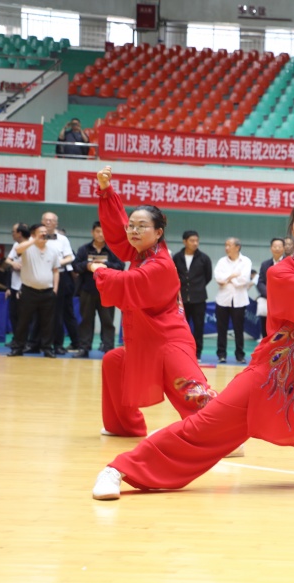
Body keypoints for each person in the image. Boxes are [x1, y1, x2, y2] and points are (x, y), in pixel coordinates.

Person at [92, 155, 294, 500]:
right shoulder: (281, 272)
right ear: (292, 228)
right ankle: (119, 469)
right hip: (271, 378)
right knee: (202, 429)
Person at [87, 165, 219, 438]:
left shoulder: (160, 263)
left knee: (193, 394)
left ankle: (222, 435)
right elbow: (116, 229)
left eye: (142, 226)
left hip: (169, 342)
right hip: (147, 342)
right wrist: (106, 191)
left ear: (158, 232)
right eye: (132, 226)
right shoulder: (141, 252)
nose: (133, 231)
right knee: (114, 362)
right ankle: (124, 425)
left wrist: (99, 270)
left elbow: (129, 282)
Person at [71, 221, 124, 357]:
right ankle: (84, 348)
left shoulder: (112, 250)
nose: (100, 234)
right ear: (92, 232)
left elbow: (120, 266)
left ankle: (108, 349)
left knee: (107, 321)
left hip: (107, 291)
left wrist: (105, 265)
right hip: (87, 290)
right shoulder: (84, 249)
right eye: (98, 231)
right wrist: (88, 265)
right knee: (86, 321)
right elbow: (75, 266)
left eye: (103, 232)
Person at [6, 224, 60, 358]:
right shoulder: (27, 248)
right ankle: (18, 347)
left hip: (47, 292)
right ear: (33, 234)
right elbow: (18, 249)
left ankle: (47, 348)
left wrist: (55, 289)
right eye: (41, 232)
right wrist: (34, 240)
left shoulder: (53, 250)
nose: (44, 234)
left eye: (46, 232)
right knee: (23, 321)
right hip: (28, 291)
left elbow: (56, 271)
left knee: (48, 323)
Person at [41, 211, 78, 355]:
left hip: (61, 277)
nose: (48, 222)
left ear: (56, 223)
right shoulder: (36, 238)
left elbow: (70, 257)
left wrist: (55, 263)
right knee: (40, 313)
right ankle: (37, 344)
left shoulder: (62, 239)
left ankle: (58, 345)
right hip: (41, 277)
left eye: (51, 220)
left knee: (59, 313)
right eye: (45, 220)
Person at [172, 231, 213, 361]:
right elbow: (173, 275)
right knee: (181, 327)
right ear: (184, 241)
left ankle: (197, 353)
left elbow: (208, 276)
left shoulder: (204, 258)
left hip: (199, 298)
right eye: (192, 241)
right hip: (181, 299)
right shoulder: (177, 257)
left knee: (199, 327)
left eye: (197, 241)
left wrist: (197, 287)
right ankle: (182, 352)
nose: (195, 243)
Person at [214, 238, 253, 364]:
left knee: (238, 329)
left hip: (239, 300)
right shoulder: (221, 261)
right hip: (222, 299)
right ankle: (221, 354)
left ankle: (240, 355)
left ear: (237, 247)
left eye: (229, 245)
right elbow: (218, 279)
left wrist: (227, 279)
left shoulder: (246, 261)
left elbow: (244, 280)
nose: (226, 248)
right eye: (225, 245)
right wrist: (233, 276)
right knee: (221, 329)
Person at [256, 237, 285, 338]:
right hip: (267, 300)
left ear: (284, 248)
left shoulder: (290, 263)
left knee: (281, 331)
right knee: (266, 331)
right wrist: (269, 294)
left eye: (279, 246)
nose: (277, 248)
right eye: (275, 246)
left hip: (284, 302)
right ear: (270, 248)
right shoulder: (265, 264)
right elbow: (260, 282)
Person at [3, 223, 30, 334]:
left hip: (26, 286)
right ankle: (16, 338)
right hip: (14, 286)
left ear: (20, 233)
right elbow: (7, 260)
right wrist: (13, 263)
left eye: (13, 232)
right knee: (13, 314)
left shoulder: (31, 245)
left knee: (24, 315)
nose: (12, 234)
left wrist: (23, 267)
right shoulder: (15, 245)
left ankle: (25, 339)